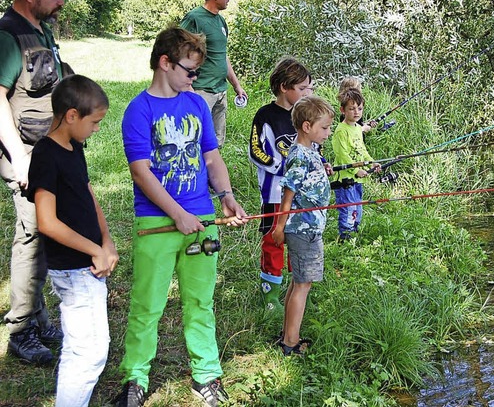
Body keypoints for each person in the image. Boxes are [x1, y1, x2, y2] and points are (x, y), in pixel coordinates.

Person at [116, 27, 247, 407]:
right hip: (155, 222)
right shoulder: (139, 110)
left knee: (200, 301)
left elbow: (211, 157)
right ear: (164, 62)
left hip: (202, 217)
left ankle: (206, 374)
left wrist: (226, 197)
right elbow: (141, 171)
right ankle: (135, 378)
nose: (194, 79)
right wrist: (177, 215)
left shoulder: (196, 105)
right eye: (189, 71)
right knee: (147, 303)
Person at [0, 0, 76, 364]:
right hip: (26, 154)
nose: (60, 2)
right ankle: (21, 328)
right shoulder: (8, 35)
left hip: (48, 151)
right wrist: (19, 158)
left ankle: (39, 314)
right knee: (31, 236)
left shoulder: (40, 30)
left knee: (45, 232)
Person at [26, 74, 119, 407]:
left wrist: (106, 240)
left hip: (89, 263)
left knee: (86, 346)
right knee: (88, 353)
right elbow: (47, 222)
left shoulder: (73, 146)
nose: (96, 129)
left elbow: (87, 191)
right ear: (71, 116)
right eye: (94, 122)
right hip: (75, 269)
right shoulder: (46, 155)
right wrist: (95, 249)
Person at [248, 56, 314, 312]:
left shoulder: (306, 114)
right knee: (273, 241)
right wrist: (282, 167)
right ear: (285, 86)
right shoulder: (266, 115)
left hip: (301, 195)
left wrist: (321, 164)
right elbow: (256, 150)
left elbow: (315, 146)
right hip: (274, 193)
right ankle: (270, 294)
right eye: (302, 88)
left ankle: (295, 288)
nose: (306, 93)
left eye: (309, 88)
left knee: (298, 238)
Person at [272, 95, 335, 356]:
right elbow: (289, 191)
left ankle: (288, 334)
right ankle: (290, 343)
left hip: (308, 229)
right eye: (324, 128)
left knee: (298, 281)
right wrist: (279, 226)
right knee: (303, 285)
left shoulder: (310, 152)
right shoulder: (300, 155)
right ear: (306, 127)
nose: (328, 133)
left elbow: (309, 178)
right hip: (303, 229)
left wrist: (323, 169)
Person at [180, 0, 246, 147]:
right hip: (201, 90)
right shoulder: (194, 18)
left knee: (216, 142)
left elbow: (222, 55)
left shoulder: (221, 20)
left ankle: (212, 174)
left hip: (220, 90)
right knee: (195, 140)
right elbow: (176, 51)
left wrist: (236, 85)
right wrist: (188, 87)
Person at [331, 88, 381, 242]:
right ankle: (344, 241)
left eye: (359, 108)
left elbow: (362, 150)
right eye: (351, 109)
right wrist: (356, 170)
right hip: (345, 179)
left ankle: (353, 238)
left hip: (358, 180)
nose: (356, 112)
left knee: (357, 211)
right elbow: (342, 155)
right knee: (348, 210)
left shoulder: (357, 129)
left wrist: (372, 163)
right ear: (343, 110)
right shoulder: (341, 130)